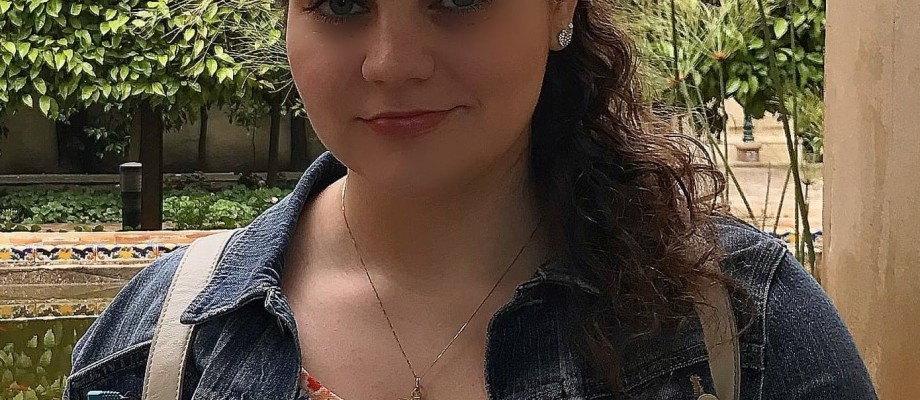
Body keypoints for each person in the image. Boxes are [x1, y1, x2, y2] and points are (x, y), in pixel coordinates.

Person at [64, 0, 877, 399]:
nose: (392, 62)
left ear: (558, 7)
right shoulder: (155, 348)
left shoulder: (743, 327)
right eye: (341, 3)